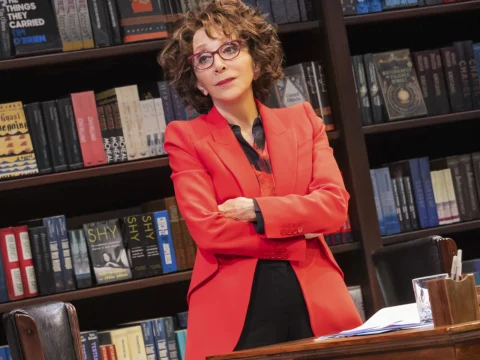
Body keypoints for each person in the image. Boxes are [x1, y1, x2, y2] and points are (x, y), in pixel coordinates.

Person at [159, 1, 363, 359]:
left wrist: (257, 210)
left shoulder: (303, 121)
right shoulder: (185, 137)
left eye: (229, 48)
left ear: (256, 58)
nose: (218, 64)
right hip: (236, 311)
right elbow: (208, 229)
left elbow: (333, 207)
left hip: (315, 298)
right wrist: (299, 230)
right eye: (204, 59)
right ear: (199, 82)